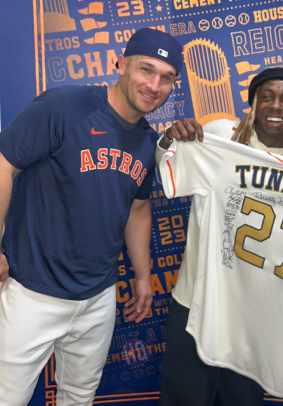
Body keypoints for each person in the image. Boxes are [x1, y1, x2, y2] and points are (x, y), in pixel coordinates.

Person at [0, 28, 183, 406]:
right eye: (146, 70)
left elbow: (137, 207)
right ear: (121, 64)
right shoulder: (66, 106)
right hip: (33, 290)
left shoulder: (149, 141)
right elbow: (4, 166)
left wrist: (144, 276)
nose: (154, 85)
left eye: (167, 78)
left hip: (97, 297)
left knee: (79, 397)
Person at [156, 67, 283, 406]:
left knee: (241, 400)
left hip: (253, 312)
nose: (275, 106)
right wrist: (170, 139)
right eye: (266, 96)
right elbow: (166, 163)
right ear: (254, 102)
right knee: (184, 397)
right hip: (196, 301)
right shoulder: (219, 134)